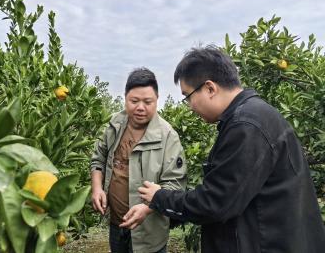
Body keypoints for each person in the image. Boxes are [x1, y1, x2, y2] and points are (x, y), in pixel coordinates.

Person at [123, 46, 325, 252]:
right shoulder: (255, 116)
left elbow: (215, 203)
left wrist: (160, 197)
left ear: (210, 88)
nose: (190, 106)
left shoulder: (246, 127)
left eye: (188, 96)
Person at [90, 67, 187, 253]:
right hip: (116, 225)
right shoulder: (115, 125)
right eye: (134, 101)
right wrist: (96, 188)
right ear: (125, 98)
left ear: (157, 100)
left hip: (148, 233)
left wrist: (147, 208)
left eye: (147, 102)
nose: (140, 107)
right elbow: (98, 159)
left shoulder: (168, 137)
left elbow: (175, 185)